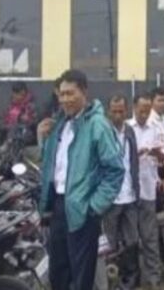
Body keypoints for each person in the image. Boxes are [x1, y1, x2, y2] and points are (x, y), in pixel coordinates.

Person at [38, 69, 125, 290]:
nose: (65, 99)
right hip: (58, 208)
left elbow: (115, 171)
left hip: (83, 210)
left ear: (84, 92)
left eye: (70, 93)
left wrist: (94, 207)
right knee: (58, 274)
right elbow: (51, 165)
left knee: (81, 278)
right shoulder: (60, 125)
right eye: (62, 94)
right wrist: (42, 138)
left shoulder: (97, 125)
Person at [127, 93, 164, 290]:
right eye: (141, 110)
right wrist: (136, 153)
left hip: (149, 188)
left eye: (147, 111)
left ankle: (153, 280)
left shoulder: (155, 128)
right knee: (131, 239)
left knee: (150, 238)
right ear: (134, 108)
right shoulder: (127, 128)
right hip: (129, 192)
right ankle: (133, 279)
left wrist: (157, 153)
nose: (144, 114)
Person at [102, 95, 141, 288]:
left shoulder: (130, 131)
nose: (118, 115)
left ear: (126, 111)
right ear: (108, 112)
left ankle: (131, 279)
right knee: (110, 241)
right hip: (111, 197)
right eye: (114, 111)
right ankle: (111, 281)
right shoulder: (103, 132)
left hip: (130, 195)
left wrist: (136, 188)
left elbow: (134, 161)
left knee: (132, 239)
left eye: (121, 111)